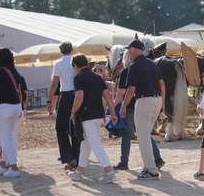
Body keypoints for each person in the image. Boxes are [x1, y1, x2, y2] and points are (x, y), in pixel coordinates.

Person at [67, 54, 118, 183]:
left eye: (74, 67)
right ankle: (78, 172)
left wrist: (73, 111)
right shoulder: (97, 77)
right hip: (99, 115)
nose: (74, 70)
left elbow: (79, 96)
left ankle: (109, 172)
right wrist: (112, 113)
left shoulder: (78, 78)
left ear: (76, 65)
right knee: (86, 143)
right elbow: (107, 97)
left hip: (86, 116)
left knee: (95, 144)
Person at [120, 39, 166, 180]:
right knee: (146, 135)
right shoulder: (153, 64)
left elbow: (131, 89)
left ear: (134, 50)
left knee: (143, 137)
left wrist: (123, 106)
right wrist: (162, 103)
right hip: (156, 100)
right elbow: (162, 84)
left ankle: (151, 170)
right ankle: (149, 166)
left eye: (129, 50)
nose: (128, 52)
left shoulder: (134, 66)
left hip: (144, 101)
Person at [0, 48, 23, 177]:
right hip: (16, 106)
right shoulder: (15, 72)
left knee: (5, 138)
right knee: (10, 137)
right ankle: (3, 163)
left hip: (4, 106)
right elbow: (19, 92)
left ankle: (13, 168)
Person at [47, 41, 80, 171]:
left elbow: (55, 84)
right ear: (72, 49)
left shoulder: (59, 64)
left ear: (61, 51)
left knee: (60, 129)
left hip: (66, 96)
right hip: (77, 94)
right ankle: (76, 158)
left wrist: (49, 101)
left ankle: (69, 157)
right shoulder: (76, 61)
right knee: (75, 129)